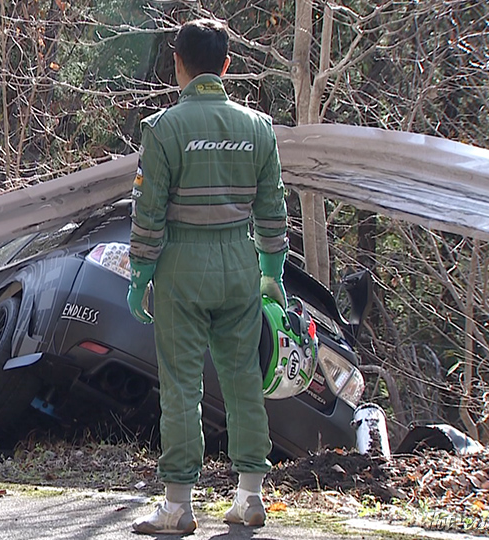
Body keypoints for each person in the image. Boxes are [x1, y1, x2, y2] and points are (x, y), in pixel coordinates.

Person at [126, 18, 288, 535]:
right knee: (243, 380)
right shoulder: (259, 129)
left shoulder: (163, 129)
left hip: (181, 269)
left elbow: (147, 213)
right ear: (226, 66)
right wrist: (272, 272)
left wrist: (139, 274)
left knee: (181, 384)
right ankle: (250, 496)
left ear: (177, 64)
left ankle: (177, 506)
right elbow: (273, 210)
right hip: (240, 265)